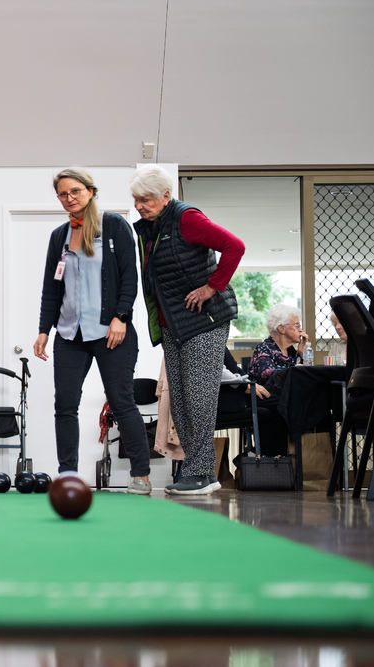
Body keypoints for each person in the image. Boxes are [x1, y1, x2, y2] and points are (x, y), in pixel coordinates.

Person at [33, 168, 153, 495]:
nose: (69, 198)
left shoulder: (113, 226)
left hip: (111, 332)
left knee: (121, 401)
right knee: (65, 405)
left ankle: (140, 475)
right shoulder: (59, 235)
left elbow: (130, 277)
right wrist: (44, 330)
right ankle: (68, 475)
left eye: (75, 191)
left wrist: (121, 317)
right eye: (62, 194)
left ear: (90, 191)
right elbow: (51, 288)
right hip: (70, 335)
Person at [131, 165, 244, 495]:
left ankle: (200, 472)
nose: (139, 205)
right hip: (174, 326)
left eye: (146, 199)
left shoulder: (186, 218)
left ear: (166, 196)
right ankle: (199, 472)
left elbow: (234, 246)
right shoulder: (151, 228)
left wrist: (211, 288)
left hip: (203, 323)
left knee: (199, 399)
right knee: (179, 402)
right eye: (136, 199)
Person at [218, 348, 289, 457]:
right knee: (279, 404)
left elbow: (232, 368)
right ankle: (268, 459)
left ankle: (261, 457)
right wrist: (244, 385)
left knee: (279, 403)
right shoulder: (265, 349)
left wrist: (246, 383)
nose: (300, 330)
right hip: (224, 399)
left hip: (235, 391)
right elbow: (217, 370)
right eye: (297, 328)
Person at [248, 303, 310, 395]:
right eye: (297, 325)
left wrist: (302, 354)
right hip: (267, 398)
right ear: (281, 328)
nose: (301, 330)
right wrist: (293, 371)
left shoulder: (291, 352)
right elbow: (267, 374)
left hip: (288, 397)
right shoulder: (264, 348)